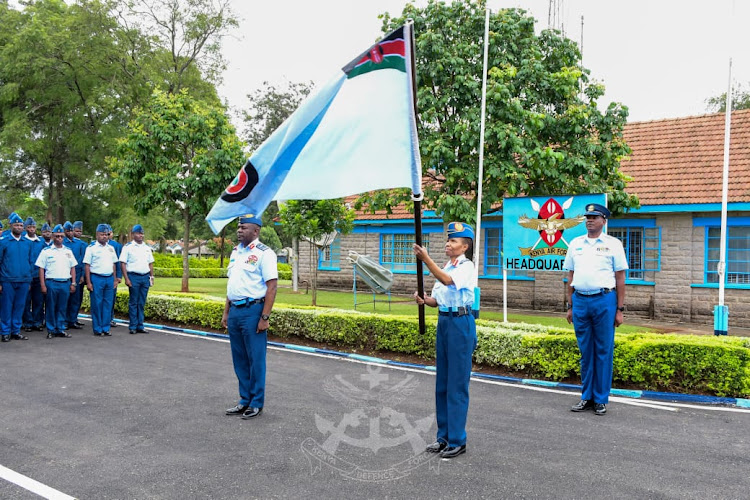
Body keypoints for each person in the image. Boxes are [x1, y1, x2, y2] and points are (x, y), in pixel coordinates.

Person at [412, 222, 477, 459]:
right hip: (445, 322)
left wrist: (426, 259)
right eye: (448, 240)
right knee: (443, 383)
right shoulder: (448, 265)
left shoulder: (466, 267)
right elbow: (440, 299)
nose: (448, 244)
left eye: (454, 241)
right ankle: (444, 437)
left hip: (461, 324)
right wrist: (425, 300)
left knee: (457, 384)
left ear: (465, 246)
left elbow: (449, 281)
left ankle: (458, 439)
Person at [563, 203, 628, 416]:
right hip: (580, 301)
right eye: (587, 217)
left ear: (603, 221)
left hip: (604, 300)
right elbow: (569, 277)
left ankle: (600, 399)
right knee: (585, 352)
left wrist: (619, 308)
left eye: (594, 217)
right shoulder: (575, 243)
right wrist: (570, 306)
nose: (589, 220)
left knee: (603, 350)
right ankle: (586, 396)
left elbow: (620, 278)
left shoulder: (613, 244)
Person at [222, 215, 277, 420]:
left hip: (253, 310)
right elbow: (232, 286)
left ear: (256, 231)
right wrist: (226, 312)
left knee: (256, 359)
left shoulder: (265, 254)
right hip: (235, 311)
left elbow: (272, 286)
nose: (239, 230)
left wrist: (265, 317)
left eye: (243, 227)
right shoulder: (236, 252)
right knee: (240, 359)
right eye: (238, 227)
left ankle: (256, 402)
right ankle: (244, 399)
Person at [37, 224, 77, 339]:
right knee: (51, 307)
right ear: (53, 237)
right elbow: (41, 268)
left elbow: (73, 267)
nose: (59, 238)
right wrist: (43, 284)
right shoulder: (46, 251)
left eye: (61, 236)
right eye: (57, 236)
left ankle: (60, 328)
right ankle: (51, 329)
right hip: (52, 283)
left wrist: (73, 282)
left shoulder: (68, 251)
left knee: (62, 307)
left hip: (65, 283)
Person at [0, 213, 35, 342]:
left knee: (19, 306)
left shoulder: (28, 243)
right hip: (7, 280)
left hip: (24, 280)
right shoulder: (3, 242)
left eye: (21, 225)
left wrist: (29, 278)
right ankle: (5, 332)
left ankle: (15, 331)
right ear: (11, 226)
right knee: (6, 307)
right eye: (16, 225)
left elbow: (31, 261)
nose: (19, 227)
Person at [83, 224, 119, 337]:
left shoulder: (111, 248)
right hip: (96, 278)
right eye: (102, 234)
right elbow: (87, 266)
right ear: (97, 235)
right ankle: (98, 328)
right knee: (97, 304)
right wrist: (88, 282)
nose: (104, 237)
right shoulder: (91, 248)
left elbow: (113, 264)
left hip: (109, 278)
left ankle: (106, 328)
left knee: (108, 304)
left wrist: (114, 279)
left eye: (106, 234)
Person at [119, 224, 154, 334]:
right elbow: (123, 263)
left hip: (145, 277)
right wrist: (126, 278)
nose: (140, 235)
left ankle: (140, 325)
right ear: (133, 234)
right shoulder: (128, 247)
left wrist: (152, 277)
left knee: (142, 302)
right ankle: (133, 326)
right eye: (138, 233)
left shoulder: (147, 248)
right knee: (134, 302)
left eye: (142, 233)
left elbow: (150, 263)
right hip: (133, 276)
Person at [23, 217, 46, 332]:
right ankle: (27, 322)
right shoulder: (22, 240)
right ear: (25, 228)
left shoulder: (40, 242)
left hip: (38, 276)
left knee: (38, 300)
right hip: (26, 276)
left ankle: (37, 322)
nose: (31, 229)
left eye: (33, 227)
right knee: (26, 301)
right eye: (29, 227)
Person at [63, 221, 87, 329]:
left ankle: (72, 320)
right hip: (64, 273)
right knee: (65, 299)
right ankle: (64, 321)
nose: (71, 233)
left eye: (72, 230)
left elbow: (82, 261)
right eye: (68, 231)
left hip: (77, 274)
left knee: (76, 298)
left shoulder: (80, 244)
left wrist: (82, 275)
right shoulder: (61, 243)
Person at [107, 226, 123, 328]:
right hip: (101, 275)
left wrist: (119, 276)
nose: (107, 236)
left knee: (111, 299)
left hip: (113, 276)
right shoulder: (94, 245)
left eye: (109, 233)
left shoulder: (116, 245)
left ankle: (110, 318)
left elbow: (119, 262)